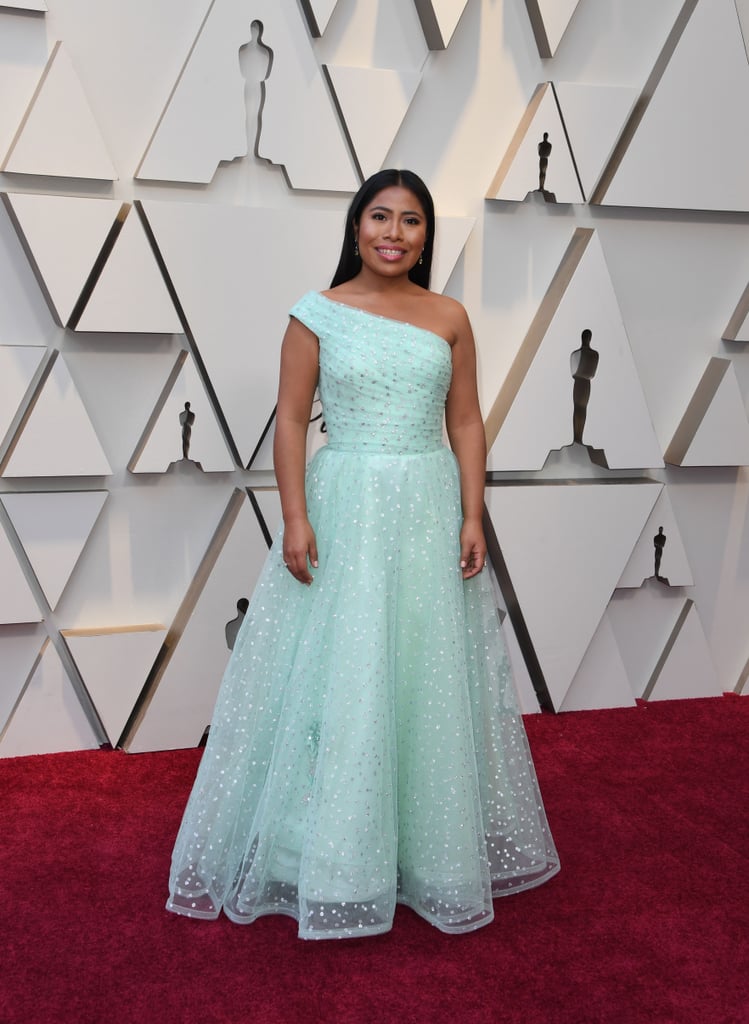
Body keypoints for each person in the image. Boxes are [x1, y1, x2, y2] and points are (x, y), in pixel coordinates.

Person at [166, 168, 559, 939]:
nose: (393, 233)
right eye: (379, 217)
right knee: (341, 670)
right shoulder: (316, 315)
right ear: (354, 227)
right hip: (345, 503)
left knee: (421, 670)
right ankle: (333, 853)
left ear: (424, 237)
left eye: (410, 221)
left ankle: (429, 850)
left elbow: (468, 422)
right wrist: (294, 516)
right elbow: (287, 423)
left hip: (425, 506)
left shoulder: (448, 316)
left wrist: (472, 514)